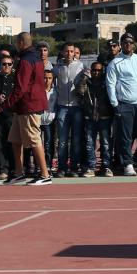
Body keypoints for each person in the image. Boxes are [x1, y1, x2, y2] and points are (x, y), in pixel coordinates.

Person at [0, 32, 51, 185]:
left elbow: (21, 88)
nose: (15, 45)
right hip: (22, 107)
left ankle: (45, 175)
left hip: (29, 106)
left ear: (21, 42)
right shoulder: (34, 58)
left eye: (16, 42)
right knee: (14, 139)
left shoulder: (26, 61)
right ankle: (19, 173)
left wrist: (2, 106)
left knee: (34, 139)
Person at [105, 32, 137, 176]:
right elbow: (110, 84)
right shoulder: (115, 62)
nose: (128, 45)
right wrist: (115, 104)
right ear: (121, 44)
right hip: (124, 104)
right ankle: (127, 164)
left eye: (131, 42)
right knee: (125, 137)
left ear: (134, 44)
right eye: (125, 42)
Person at [76, 61, 114, 177]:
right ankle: (91, 167)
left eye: (98, 70)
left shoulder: (106, 83)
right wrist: (85, 77)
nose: (96, 72)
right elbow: (80, 91)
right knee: (89, 142)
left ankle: (106, 166)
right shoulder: (86, 82)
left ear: (102, 71)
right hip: (90, 117)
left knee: (106, 143)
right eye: (94, 70)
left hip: (104, 116)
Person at [53, 42, 84, 177]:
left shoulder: (81, 66)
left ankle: (74, 167)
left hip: (76, 107)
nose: (69, 54)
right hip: (62, 107)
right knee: (63, 140)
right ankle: (61, 167)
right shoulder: (57, 67)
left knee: (76, 140)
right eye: (67, 51)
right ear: (63, 52)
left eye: (72, 51)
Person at [0, 50, 15, 180]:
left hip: (12, 115)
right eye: (4, 64)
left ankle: (14, 168)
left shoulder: (16, 79)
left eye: (9, 64)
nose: (6, 66)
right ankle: (2, 169)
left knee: (13, 143)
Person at [40, 69, 57, 174]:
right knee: (38, 145)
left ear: (53, 79)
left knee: (48, 144)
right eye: (45, 78)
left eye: (49, 78)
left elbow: (57, 106)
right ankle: (39, 166)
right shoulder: (38, 90)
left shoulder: (55, 91)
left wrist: (53, 116)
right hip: (38, 121)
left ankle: (48, 165)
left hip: (50, 122)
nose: (47, 80)